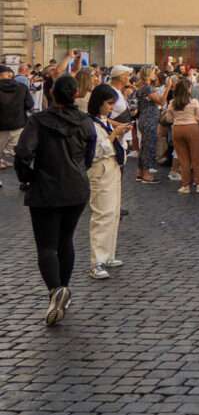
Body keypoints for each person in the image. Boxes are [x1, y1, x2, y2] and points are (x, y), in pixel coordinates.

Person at [14, 74, 95, 326]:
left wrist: (27, 177)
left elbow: (23, 152)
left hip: (46, 187)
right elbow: (89, 156)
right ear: (76, 94)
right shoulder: (85, 121)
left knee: (47, 245)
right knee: (65, 240)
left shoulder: (39, 121)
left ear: (51, 94)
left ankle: (55, 290)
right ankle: (63, 291)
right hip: (76, 187)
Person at [85, 84, 130, 280]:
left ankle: (108, 254)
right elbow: (94, 151)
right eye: (109, 104)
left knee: (113, 213)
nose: (111, 107)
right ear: (99, 103)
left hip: (112, 168)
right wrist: (114, 135)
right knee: (102, 214)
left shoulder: (103, 120)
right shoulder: (90, 124)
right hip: (101, 169)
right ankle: (97, 262)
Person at [162, 74, 199, 194]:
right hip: (192, 128)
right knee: (197, 157)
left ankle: (185, 185)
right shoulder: (194, 102)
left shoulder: (172, 103)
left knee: (183, 158)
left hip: (177, 129)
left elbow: (169, 119)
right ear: (188, 89)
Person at [0, 63, 35, 178]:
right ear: (11, 75)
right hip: (18, 125)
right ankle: (25, 179)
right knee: (20, 154)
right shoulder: (22, 87)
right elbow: (30, 104)